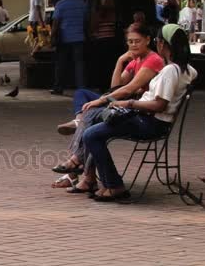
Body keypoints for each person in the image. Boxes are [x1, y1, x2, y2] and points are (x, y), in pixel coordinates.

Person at [81, 24, 196, 201]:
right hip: (148, 119)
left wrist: (130, 103)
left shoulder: (170, 71)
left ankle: (112, 185)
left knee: (91, 134)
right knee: (96, 121)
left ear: (162, 44)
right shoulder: (188, 70)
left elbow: (160, 105)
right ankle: (98, 179)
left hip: (150, 123)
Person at [51, 22, 164, 189]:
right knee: (82, 94)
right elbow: (115, 87)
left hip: (131, 107)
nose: (133, 45)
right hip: (119, 102)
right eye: (130, 41)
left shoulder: (152, 60)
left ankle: (78, 163)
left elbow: (127, 90)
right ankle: (79, 123)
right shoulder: (135, 59)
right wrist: (120, 61)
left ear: (148, 40)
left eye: (137, 41)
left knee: (91, 116)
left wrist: (101, 101)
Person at [49, 0, 87, 95]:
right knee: (79, 64)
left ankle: (58, 87)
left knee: (61, 64)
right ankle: (81, 88)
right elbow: (86, 20)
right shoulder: (82, 3)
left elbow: (56, 23)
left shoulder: (61, 4)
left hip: (64, 39)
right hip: (79, 38)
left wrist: (52, 37)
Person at [86, 0, 124, 91]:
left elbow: (93, 28)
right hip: (108, 41)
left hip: (102, 41)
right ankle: (107, 85)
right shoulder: (111, 14)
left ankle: (104, 85)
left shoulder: (100, 13)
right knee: (107, 65)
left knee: (103, 65)